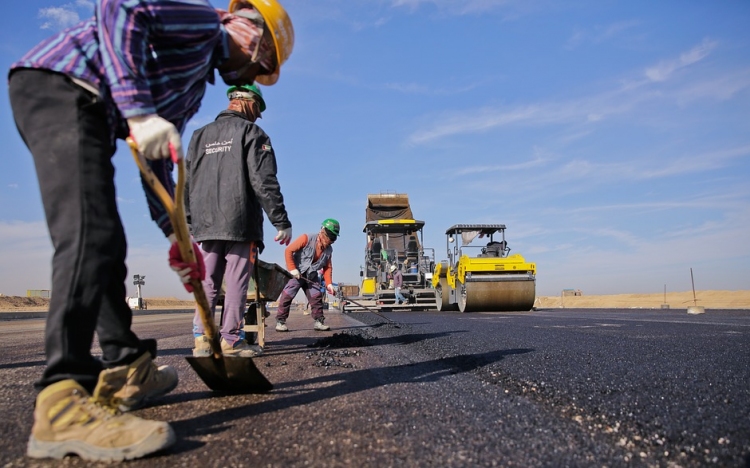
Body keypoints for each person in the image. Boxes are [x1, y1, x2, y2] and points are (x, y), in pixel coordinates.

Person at [7, 0, 294, 461]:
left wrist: (175, 234)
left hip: (90, 108)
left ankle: (126, 365)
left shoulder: (192, 87)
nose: (255, 73)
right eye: (261, 64)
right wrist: (138, 111)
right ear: (250, 33)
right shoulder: (203, 22)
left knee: (108, 244)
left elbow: (156, 157)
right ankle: (62, 402)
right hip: (60, 85)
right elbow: (120, 8)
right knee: (88, 237)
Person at [186, 84, 292, 358]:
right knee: (235, 283)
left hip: (205, 225)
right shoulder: (252, 133)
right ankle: (230, 341)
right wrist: (280, 220)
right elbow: (264, 181)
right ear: (248, 102)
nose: (257, 116)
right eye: (258, 110)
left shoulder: (199, 136)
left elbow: (186, 183)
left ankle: (202, 339)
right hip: (240, 222)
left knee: (207, 281)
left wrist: (189, 221)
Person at [276, 220, 340, 332]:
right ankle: (280, 322)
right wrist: (292, 269)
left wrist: (329, 284)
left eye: (333, 239)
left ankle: (319, 322)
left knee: (316, 297)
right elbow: (288, 251)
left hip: (311, 275)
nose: (330, 241)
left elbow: (327, 268)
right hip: (297, 273)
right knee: (287, 295)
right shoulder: (306, 238)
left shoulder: (329, 250)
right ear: (322, 231)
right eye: (329, 237)